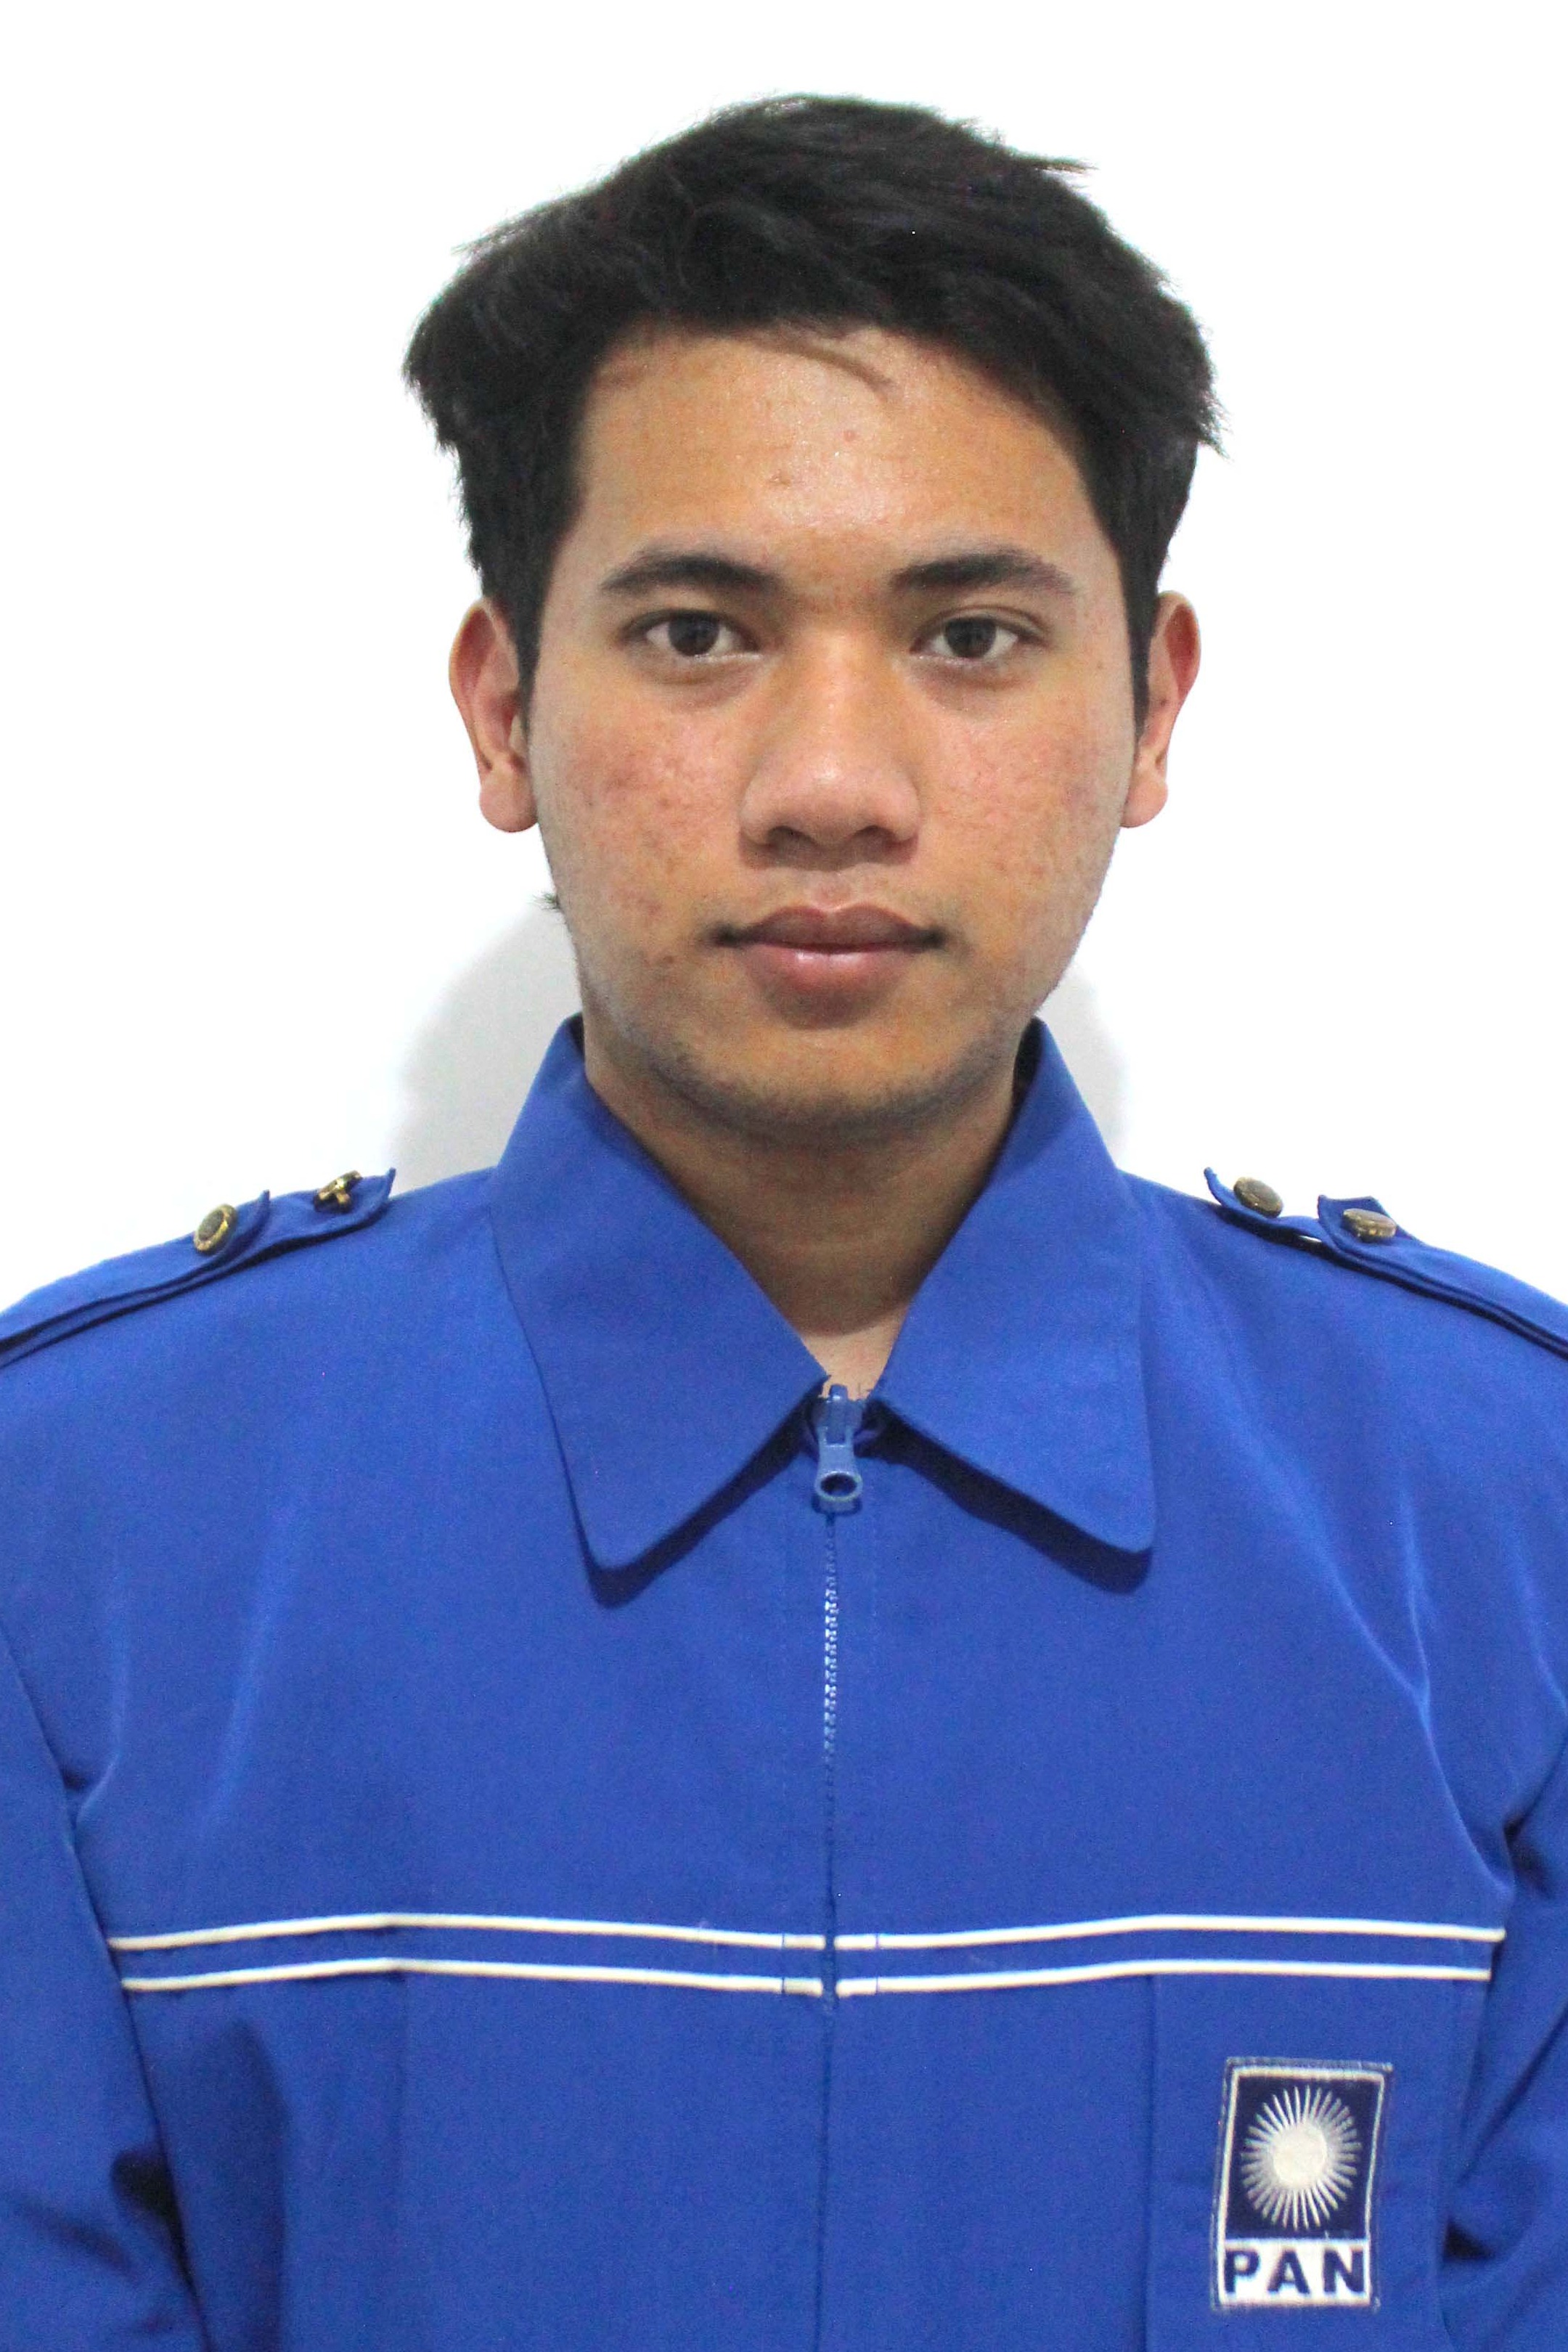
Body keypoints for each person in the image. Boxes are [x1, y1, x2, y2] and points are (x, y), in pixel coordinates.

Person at [1, 92, 1564, 2352]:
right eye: (700, 631)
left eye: (973, 637)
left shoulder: (1501, 1519)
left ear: (1153, 705)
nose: (834, 782)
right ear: (505, 707)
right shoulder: (79, 1529)